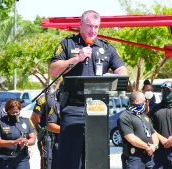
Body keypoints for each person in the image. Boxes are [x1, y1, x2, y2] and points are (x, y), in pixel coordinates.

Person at [50, 10, 128, 168]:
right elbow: (54, 70)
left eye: (97, 27)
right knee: (71, 158)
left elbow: (122, 70)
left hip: (98, 107)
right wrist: (76, 58)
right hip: (73, 108)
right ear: (80, 25)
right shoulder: (68, 44)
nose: (93, 30)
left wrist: (119, 73)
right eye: (90, 26)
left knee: (96, 157)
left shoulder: (106, 48)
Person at [117, 91, 159, 169]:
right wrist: (148, 147)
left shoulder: (145, 117)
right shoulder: (125, 117)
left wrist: (155, 146)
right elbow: (131, 139)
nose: (146, 103)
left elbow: (153, 134)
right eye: (144, 101)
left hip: (149, 157)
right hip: (134, 158)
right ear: (136, 101)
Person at [0, 99, 36, 169]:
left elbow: (33, 139)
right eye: (12, 113)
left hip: (21, 158)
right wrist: (13, 142)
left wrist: (26, 142)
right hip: (4, 158)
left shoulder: (26, 121)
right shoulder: (0, 122)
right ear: (7, 111)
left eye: (16, 112)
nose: (15, 114)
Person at [30, 87, 61, 169]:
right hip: (47, 135)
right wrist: (38, 132)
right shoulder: (46, 98)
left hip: (61, 136)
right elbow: (34, 119)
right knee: (48, 161)